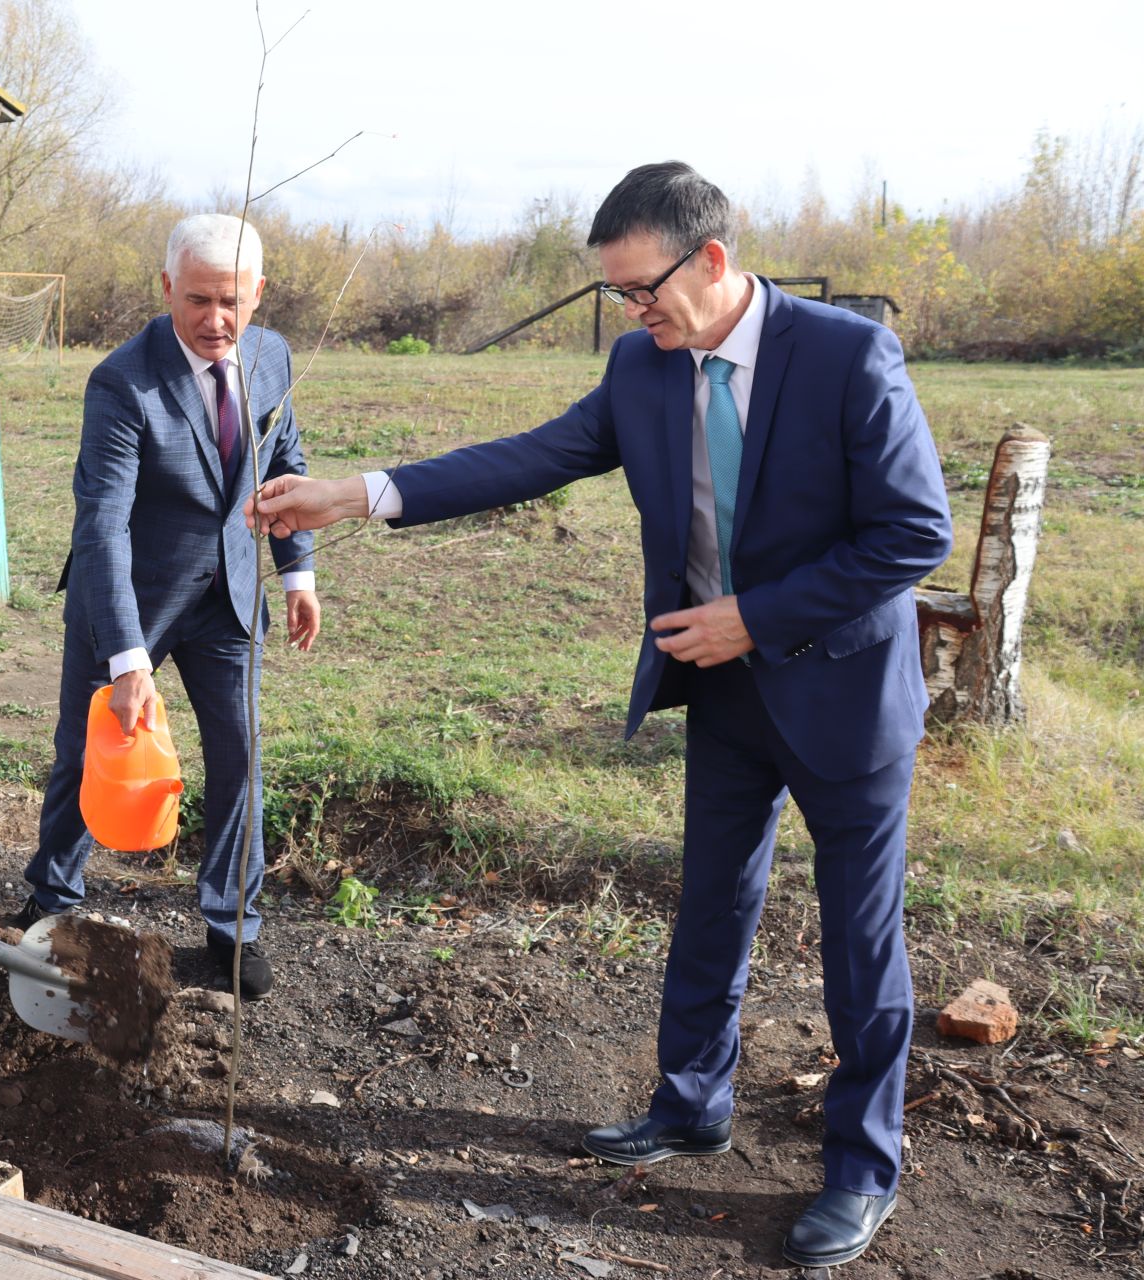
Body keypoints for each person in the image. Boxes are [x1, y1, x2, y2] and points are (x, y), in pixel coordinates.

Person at [248, 163, 953, 1268]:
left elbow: (914, 533)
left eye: (641, 290)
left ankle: (862, 1165)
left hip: (845, 696)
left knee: (860, 943)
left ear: (711, 261)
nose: (632, 314)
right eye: (618, 295)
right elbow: (535, 456)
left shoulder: (847, 356)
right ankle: (689, 1102)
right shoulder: (642, 364)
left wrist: (753, 617)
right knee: (712, 899)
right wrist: (363, 491)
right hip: (719, 689)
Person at [20, 213, 320, 1000]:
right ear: (166, 290)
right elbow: (102, 524)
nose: (216, 321)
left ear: (258, 292)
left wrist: (297, 574)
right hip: (129, 596)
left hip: (227, 595)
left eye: (232, 301)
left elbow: (283, 462)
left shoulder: (271, 353)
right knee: (90, 752)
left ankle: (233, 930)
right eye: (197, 301)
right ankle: (53, 902)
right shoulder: (123, 382)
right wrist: (126, 660)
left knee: (241, 755)